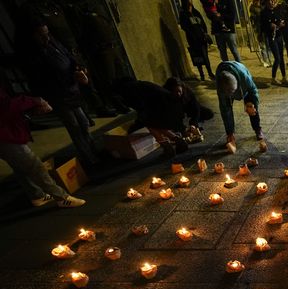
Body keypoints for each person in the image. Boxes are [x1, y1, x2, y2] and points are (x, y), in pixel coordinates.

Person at [22, 21, 99, 167]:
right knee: (74, 126)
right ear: (34, 36)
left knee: (83, 121)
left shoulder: (54, 43)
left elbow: (70, 58)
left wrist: (78, 69)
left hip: (71, 90)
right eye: (41, 35)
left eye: (47, 33)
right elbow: (38, 78)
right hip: (57, 95)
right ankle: (88, 157)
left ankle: (93, 149)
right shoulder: (33, 54)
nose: (46, 38)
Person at [0, 86, 86, 208]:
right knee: (34, 165)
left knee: (19, 165)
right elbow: (6, 106)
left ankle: (37, 195)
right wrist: (34, 101)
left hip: (6, 131)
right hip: (4, 135)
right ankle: (61, 198)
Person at [114, 79, 189, 156]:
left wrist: (136, 125)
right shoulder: (140, 84)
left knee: (150, 125)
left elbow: (140, 108)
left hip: (162, 106)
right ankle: (179, 141)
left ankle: (167, 148)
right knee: (157, 125)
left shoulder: (128, 91)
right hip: (165, 105)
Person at [215, 61, 265, 148]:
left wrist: (252, 104)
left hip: (243, 85)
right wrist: (229, 132)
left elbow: (253, 91)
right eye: (229, 94)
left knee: (252, 109)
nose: (231, 95)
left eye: (232, 92)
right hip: (226, 87)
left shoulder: (244, 78)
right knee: (226, 109)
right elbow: (224, 110)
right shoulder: (221, 86)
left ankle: (257, 129)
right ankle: (231, 135)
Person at [180, 0, 214, 81]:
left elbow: (203, 23)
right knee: (198, 57)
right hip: (193, 40)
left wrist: (205, 33)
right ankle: (202, 75)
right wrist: (193, 35)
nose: (190, 1)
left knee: (205, 56)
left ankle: (210, 73)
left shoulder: (196, 12)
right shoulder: (183, 13)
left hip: (202, 39)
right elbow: (184, 26)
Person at [260, 0, 288, 85]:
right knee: (277, 58)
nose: (272, 2)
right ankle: (273, 77)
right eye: (270, 1)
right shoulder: (263, 13)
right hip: (271, 37)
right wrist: (269, 26)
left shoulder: (277, 10)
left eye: (273, 1)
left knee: (282, 58)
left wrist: (282, 24)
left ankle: (284, 77)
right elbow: (263, 26)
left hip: (279, 36)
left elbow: (282, 19)